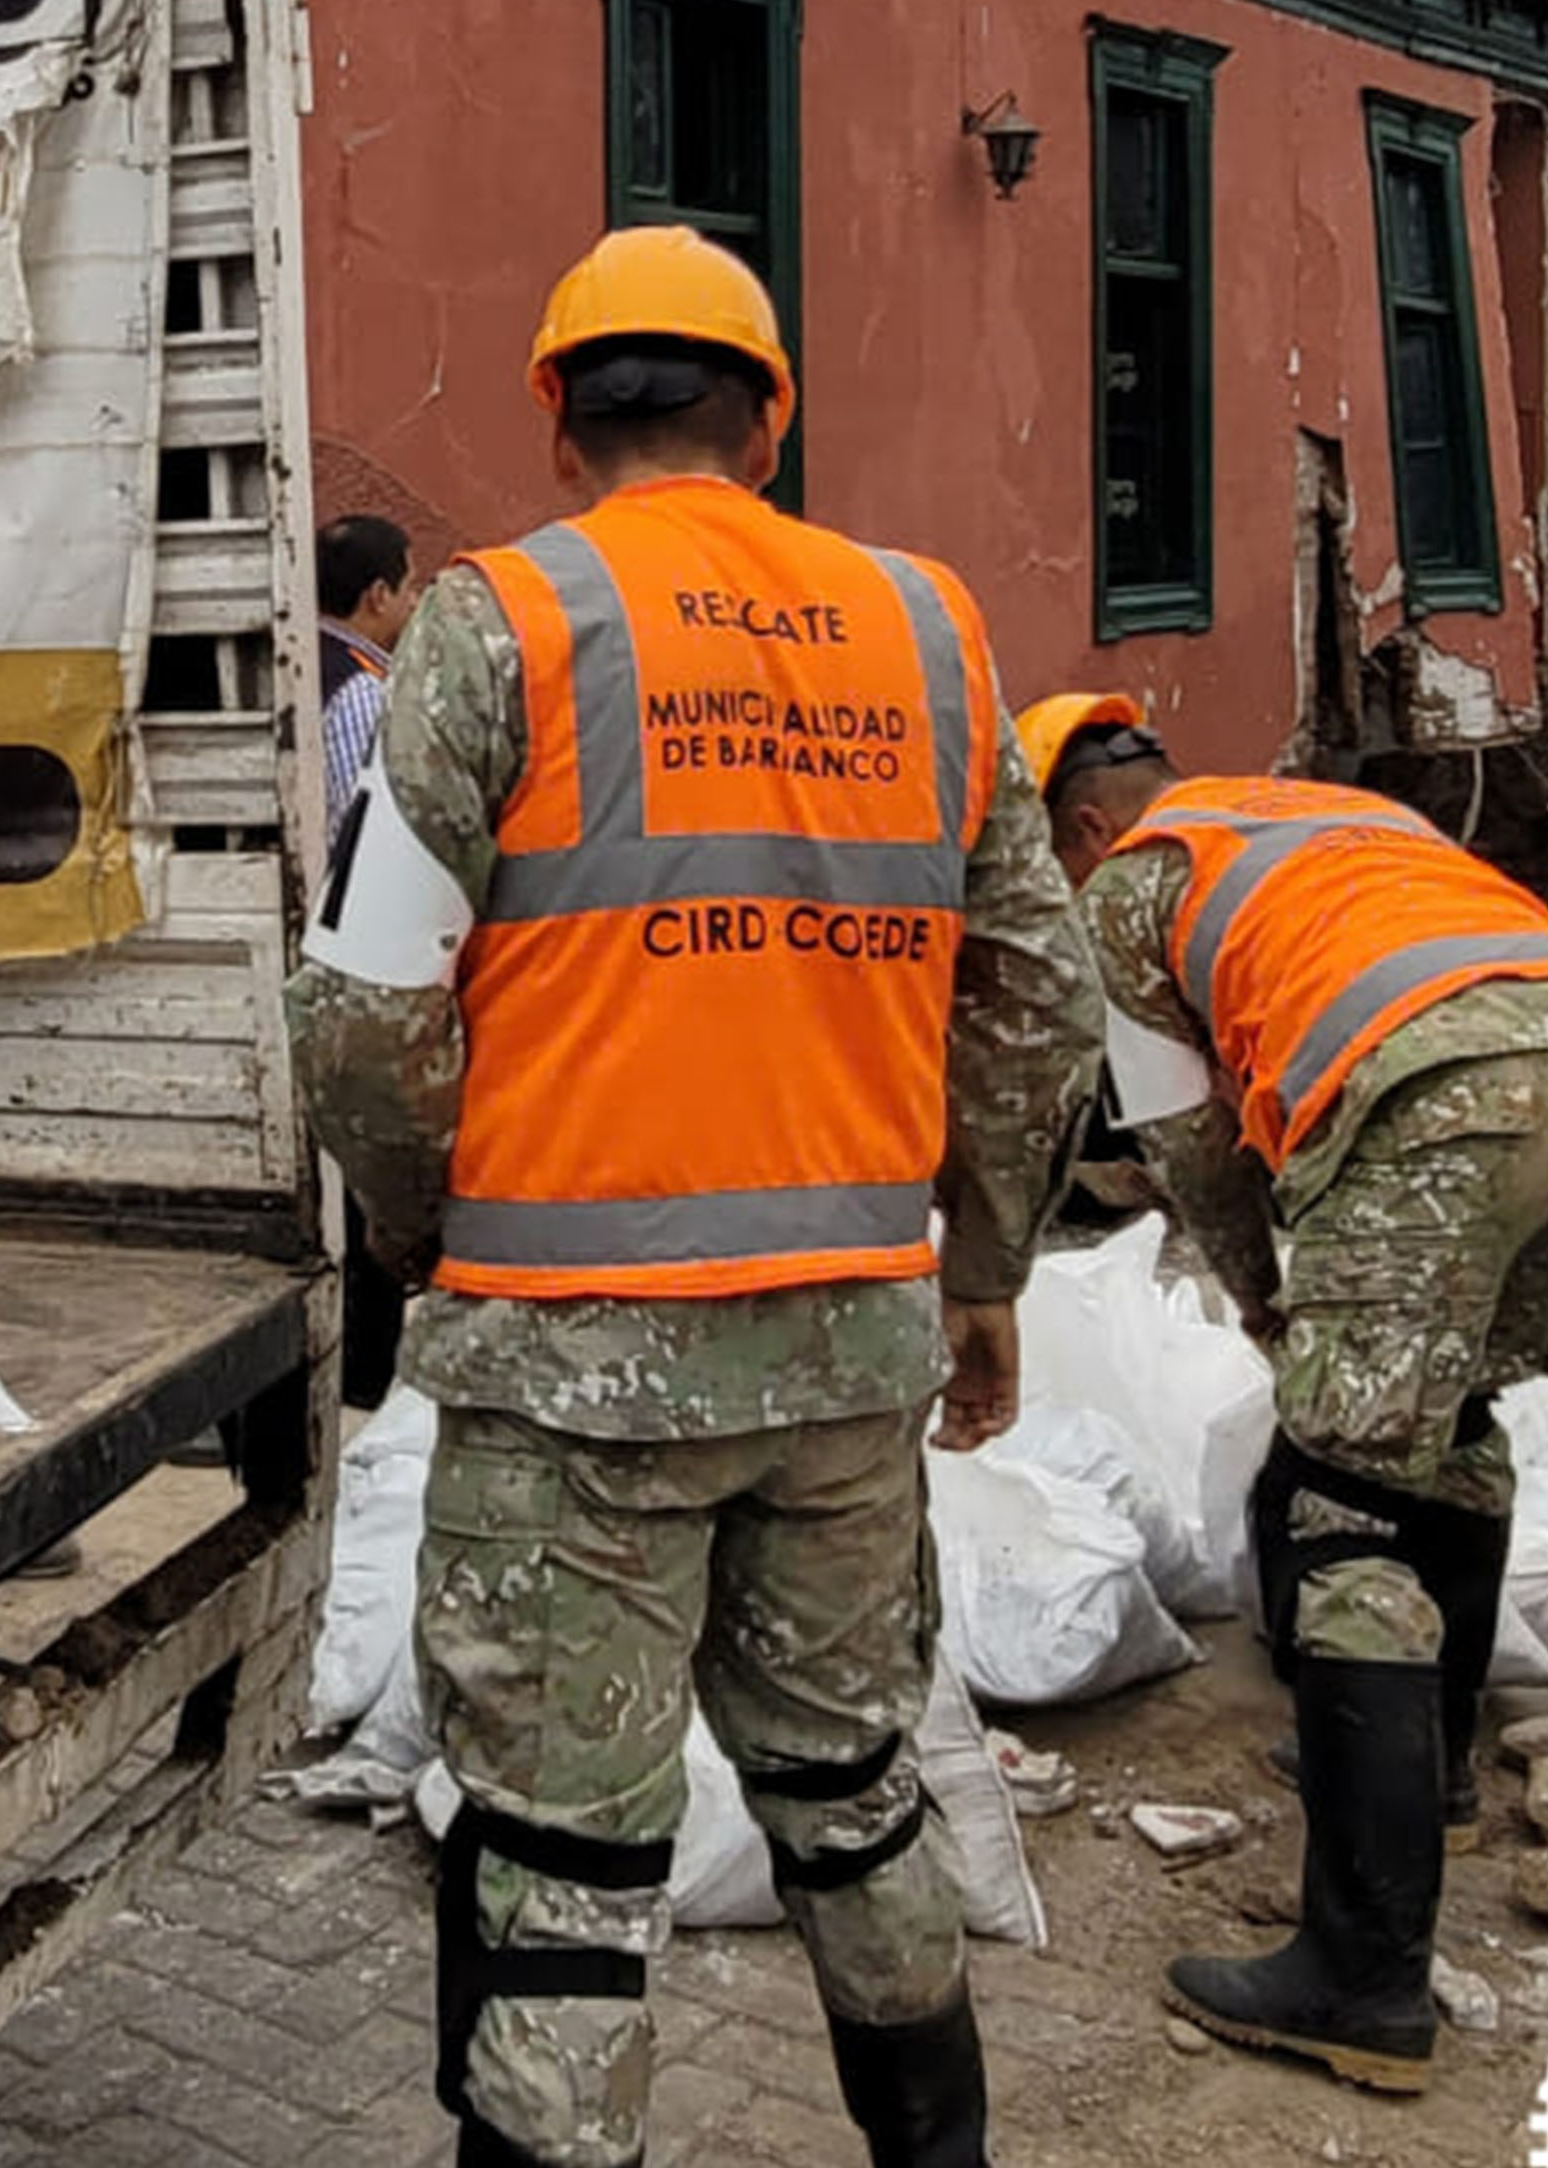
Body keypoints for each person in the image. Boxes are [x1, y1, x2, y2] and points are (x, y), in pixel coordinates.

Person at [294, 228, 1091, 2168]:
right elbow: (1045, 1000)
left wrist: (423, 1224)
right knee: (852, 1797)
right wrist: (982, 1273)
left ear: (557, 413)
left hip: (567, 1367)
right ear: (773, 418)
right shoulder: (925, 626)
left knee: (564, 1860)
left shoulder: (499, 625)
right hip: (845, 1350)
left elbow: (363, 1003)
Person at [1028, 697, 1548, 2099]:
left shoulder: (1134, 886)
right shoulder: (1330, 812)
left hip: (1443, 1107)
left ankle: (1364, 1976)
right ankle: (1432, 1785)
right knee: (1449, 1436)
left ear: (1078, 827)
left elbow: (1190, 1142)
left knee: (1336, 1504)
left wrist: (1259, 1293)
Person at [318, 509, 416, 800]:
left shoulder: (305, 653)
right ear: (380, 596)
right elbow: (356, 821)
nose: (414, 602)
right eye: (410, 587)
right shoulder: (360, 693)